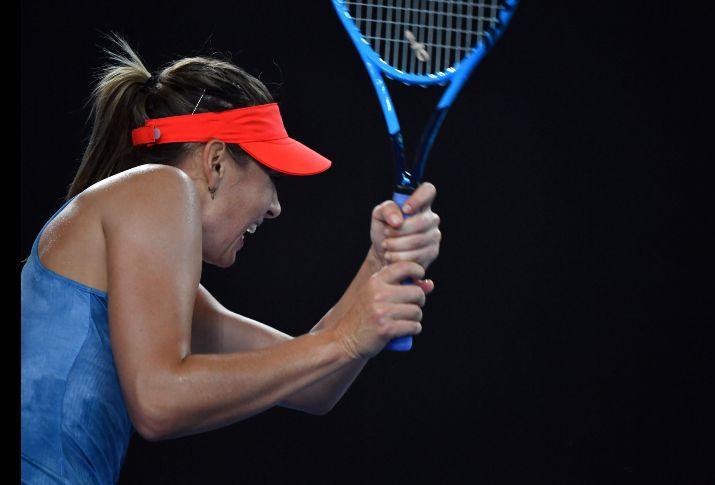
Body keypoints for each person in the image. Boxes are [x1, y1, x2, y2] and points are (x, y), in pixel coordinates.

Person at [20, 35, 441, 484]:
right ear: (216, 161)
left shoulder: (150, 274)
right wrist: (344, 341)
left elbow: (315, 386)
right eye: (270, 174)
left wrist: (378, 261)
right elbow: (158, 401)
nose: (276, 207)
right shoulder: (160, 186)